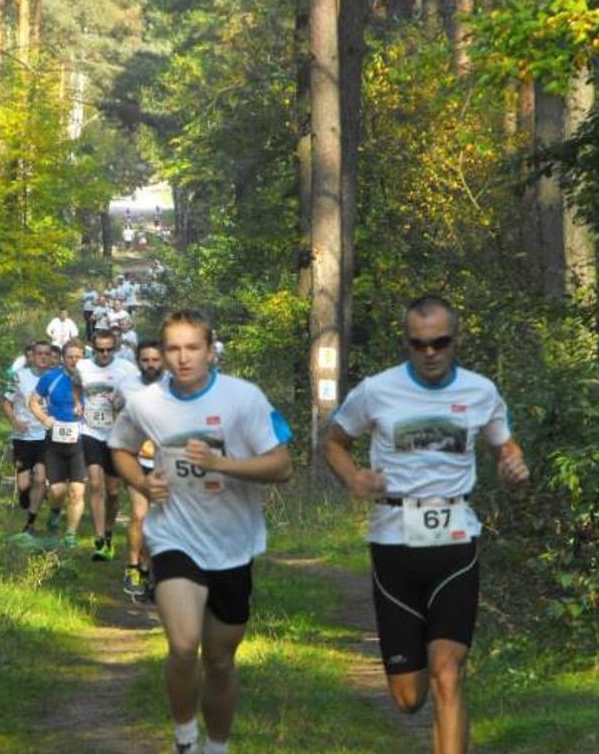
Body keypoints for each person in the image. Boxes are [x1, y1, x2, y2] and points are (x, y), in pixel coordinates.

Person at [322, 295, 530, 754]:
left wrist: (516, 467)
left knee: (448, 674)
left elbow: (506, 448)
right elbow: (335, 441)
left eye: (440, 342)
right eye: (419, 344)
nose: (430, 353)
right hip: (394, 542)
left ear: (456, 340)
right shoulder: (377, 390)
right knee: (409, 698)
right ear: (407, 344)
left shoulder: (481, 391)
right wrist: (354, 476)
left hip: (456, 541)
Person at [110, 309, 293, 754]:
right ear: (161, 353)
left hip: (232, 543)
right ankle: (185, 739)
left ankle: (217, 745)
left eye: (192, 348)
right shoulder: (145, 403)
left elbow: (281, 465)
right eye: (173, 348)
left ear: (210, 352)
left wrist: (221, 463)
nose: (182, 357)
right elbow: (120, 447)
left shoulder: (244, 399)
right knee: (183, 643)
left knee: (219, 660)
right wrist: (140, 482)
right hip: (175, 536)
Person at [77, 330, 139, 561]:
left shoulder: (126, 369)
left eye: (109, 349)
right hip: (91, 431)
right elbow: (75, 384)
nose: (104, 354)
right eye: (100, 350)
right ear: (93, 348)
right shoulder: (83, 367)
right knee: (94, 482)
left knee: (113, 492)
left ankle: (110, 534)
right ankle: (99, 538)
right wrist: (77, 403)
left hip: (116, 435)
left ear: (115, 348)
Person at [113, 338, 165, 600]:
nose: (151, 365)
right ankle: (133, 568)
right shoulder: (127, 386)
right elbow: (117, 414)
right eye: (145, 360)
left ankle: (151, 572)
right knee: (140, 514)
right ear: (138, 361)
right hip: (136, 462)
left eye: (155, 360)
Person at [29, 339, 88, 548]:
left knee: (77, 491)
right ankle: (55, 511)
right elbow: (33, 401)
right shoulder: (51, 377)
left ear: (84, 357)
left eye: (78, 356)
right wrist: (44, 420)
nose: (74, 360)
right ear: (63, 358)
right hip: (55, 441)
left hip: (80, 442)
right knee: (57, 492)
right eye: (70, 356)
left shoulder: (90, 379)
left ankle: (71, 533)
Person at [1, 340, 59, 532]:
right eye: (39, 353)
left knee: (41, 479)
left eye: (47, 354)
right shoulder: (19, 376)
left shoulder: (57, 378)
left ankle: (30, 523)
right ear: (32, 356)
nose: (43, 357)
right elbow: (6, 403)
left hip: (46, 435)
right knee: (24, 484)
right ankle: (24, 496)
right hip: (23, 436)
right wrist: (15, 421)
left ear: (51, 357)